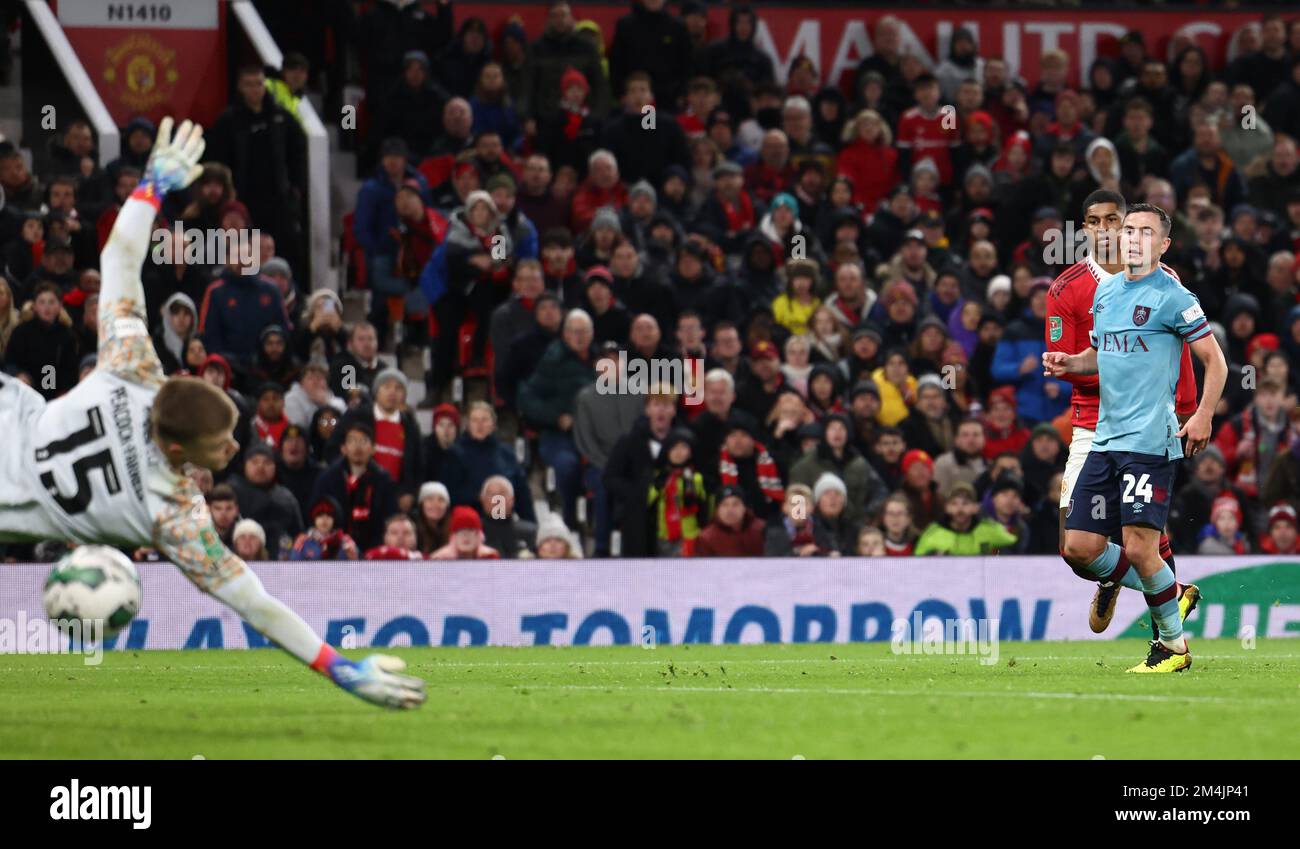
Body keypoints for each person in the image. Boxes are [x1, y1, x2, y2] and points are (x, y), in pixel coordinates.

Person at [0, 119, 423, 708]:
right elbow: (254, 601)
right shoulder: (170, 514)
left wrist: (151, 185)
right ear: (177, 451)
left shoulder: (130, 365)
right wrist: (339, 668)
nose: (232, 450)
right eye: (220, 444)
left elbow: (120, 252)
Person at [1047, 203, 1228, 674]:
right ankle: (1172, 592)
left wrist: (1204, 414)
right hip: (1103, 441)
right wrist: (1072, 364)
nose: (1131, 237)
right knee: (1079, 547)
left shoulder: (1174, 295)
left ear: (1163, 244)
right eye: (1128, 229)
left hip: (1149, 442)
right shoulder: (1105, 296)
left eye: (1144, 232)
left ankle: (1173, 647)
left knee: (1141, 547)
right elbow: (1101, 354)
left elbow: (1216, 361)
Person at [914, 483, 1018, 555]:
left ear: (975, 508)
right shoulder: (933, 533)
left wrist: (997, 555)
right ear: (946, 508)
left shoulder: (990, 530)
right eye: (954, 504)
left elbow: (1016, 549)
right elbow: (917, 564)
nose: (960, 509)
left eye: (965, 503)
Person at [694, 484, 765, 557]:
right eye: (724, 505)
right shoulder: (706, 538)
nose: (730, 510)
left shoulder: (762, 530)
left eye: (735, 504)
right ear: (717, 510)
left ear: (744, 508)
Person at [290, 496, 360, 561]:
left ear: (335, 519)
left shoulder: (345, 541)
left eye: (329, 515)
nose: (324, 519)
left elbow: (360, 567)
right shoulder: (302, 541)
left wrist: (353, 557)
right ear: (314, 519)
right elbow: (294, 566)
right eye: (320, 515)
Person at [430, 505, 500, 559]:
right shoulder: (440, 560)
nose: (466, 535)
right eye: (460, 530)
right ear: (453, 537)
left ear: (479, 536)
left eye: (470, 530)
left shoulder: (490, 558)